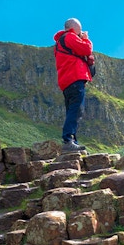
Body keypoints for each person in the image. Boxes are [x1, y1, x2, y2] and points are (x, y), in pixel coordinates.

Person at [53, 17, 94, 152]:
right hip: (75, 77)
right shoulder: (70, 37)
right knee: (77, 109)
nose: (81, 32)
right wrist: (86, 39)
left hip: (67, 81)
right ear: (74, 28)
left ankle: (72, 142)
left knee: (72, 109)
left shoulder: (61, 42)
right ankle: (68, 140)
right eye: (80, 29)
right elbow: (86, 49)